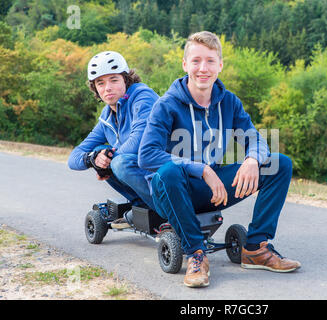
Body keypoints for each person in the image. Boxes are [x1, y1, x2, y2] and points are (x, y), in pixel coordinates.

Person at [138, 31, 300, 288]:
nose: (203, 68)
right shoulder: (167, 105)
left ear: (220, 65)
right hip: (173, 191)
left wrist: (251, 160)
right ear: (184, 64)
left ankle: (256, 248)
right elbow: (146, 154)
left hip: (213, 190)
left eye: (210, 61)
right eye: (196, 61)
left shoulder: (229, 103)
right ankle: (196, 254)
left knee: (279, 164)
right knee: (168, 172)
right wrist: (201, 169)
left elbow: (256, 139)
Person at [68, 51, 159, 229]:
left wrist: (108, 158)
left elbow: (139, 141)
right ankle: (143, 206)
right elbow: (74, 158)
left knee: (118, 162)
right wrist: (93, 159)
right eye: (100, 83)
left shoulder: (143, 97)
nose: (107, 88)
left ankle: (164, 208)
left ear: (126, 79)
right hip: (145, 175)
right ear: (95, 88)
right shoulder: (107, 117)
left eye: (114, 80)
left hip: (168, 173)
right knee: (101, 154)